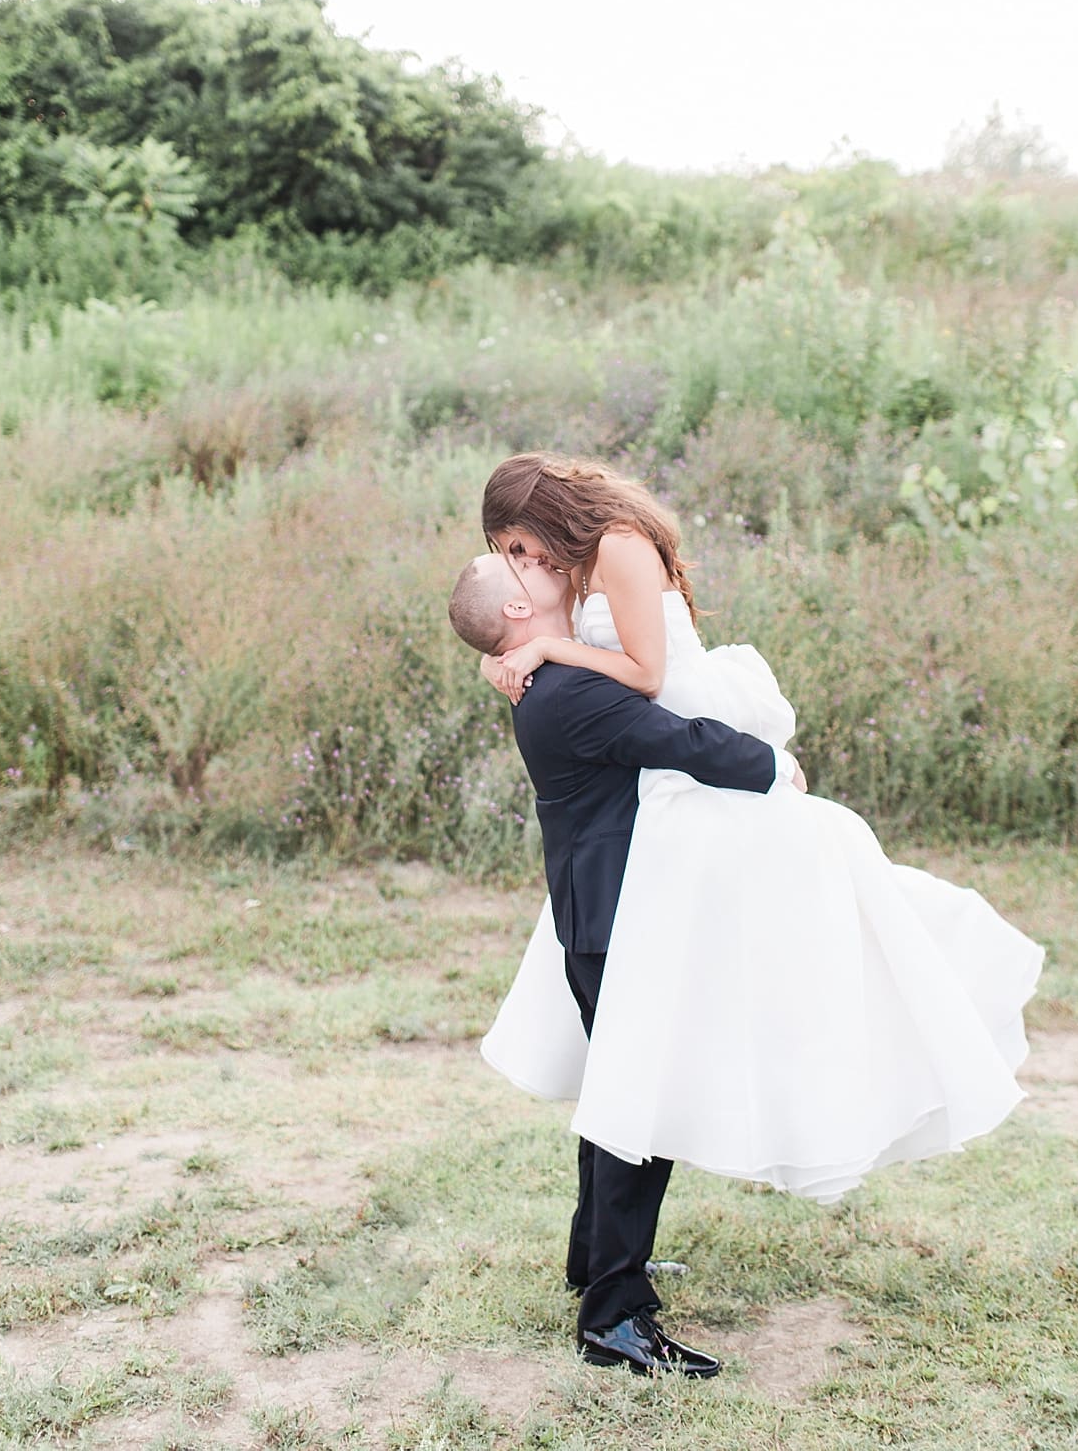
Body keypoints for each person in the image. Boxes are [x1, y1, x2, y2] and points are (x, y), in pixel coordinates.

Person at [474, 452, 1043, 1208]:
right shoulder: (579, 559)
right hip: (654, 752)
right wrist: (512, 654)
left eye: (517, 544)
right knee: (649, 1026)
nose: (521, 563)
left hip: (684, 710)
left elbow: (645, 675)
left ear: (542, 513)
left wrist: (544, 647)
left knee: (800, 886)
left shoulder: (616, 544)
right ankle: (612, 1258)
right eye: (511, 556)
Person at [447, 549, 801, 1376]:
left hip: (600, 914)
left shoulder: (553, 678)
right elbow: (682, 740)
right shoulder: (572, 693)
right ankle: (615, 1317)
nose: (539, 566)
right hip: (615, 922)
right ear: (517, 615)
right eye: (521, 567)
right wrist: (775, 767)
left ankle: (596, 1265)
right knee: (641, 1107)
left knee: (619, 1095)